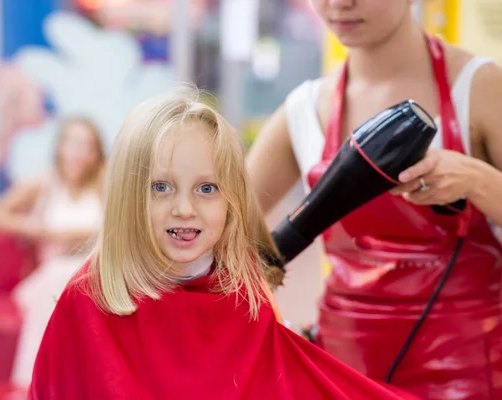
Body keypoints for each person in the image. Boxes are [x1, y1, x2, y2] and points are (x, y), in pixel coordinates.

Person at [27, 86, 418, 400]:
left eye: (207, 188)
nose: (184, 208)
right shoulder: (87, 302)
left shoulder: (244, 294)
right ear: (129, 192)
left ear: (231, 199)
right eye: (160, 187)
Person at [246, 1, 502, 399]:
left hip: (467, 380)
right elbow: (223, 220)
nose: (339, 4)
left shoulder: (479, 86)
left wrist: (477, 180)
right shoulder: (305, 108)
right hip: (341, 378)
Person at [0, 117, 106, 389]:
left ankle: (39, 384)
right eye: (75, 144)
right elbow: (1, 214)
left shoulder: (105, 183)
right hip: (51, 275)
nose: (81, 154)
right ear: (60, 147)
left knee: (76, 279)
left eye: (88, 147)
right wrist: (34, 228)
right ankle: (33, 383)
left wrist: (73, 236)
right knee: (56, 278)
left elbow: (120, 226)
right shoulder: (42, 183)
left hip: (93, 274)